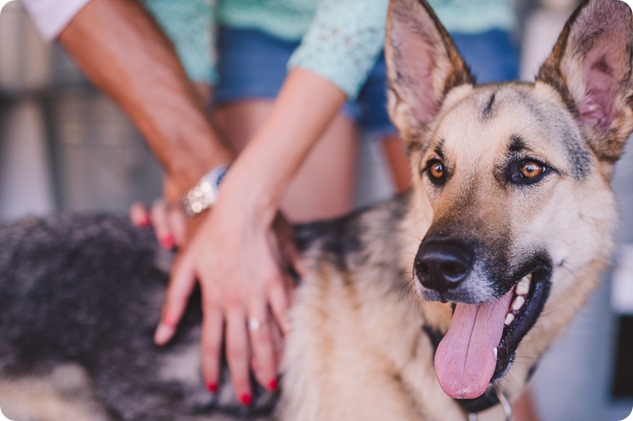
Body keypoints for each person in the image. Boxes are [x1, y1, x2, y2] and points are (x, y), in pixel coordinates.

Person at [22, 0, 527, 413]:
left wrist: (239, 198)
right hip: (268, 19)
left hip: (447, 16)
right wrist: (197, 182)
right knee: (279, 313)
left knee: (497, 321)